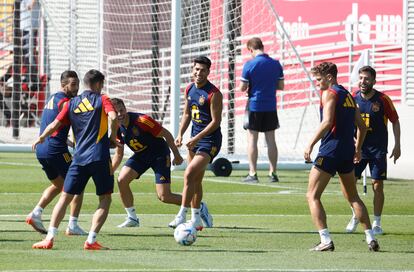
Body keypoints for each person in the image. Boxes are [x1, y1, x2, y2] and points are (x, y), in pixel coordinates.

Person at [31, 69, 118, 250]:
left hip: (78, 159)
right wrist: (112, 137)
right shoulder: (103, 99)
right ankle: (91, 240)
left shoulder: (70, 104)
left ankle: (49, 239)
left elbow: (55, 123)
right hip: (99, 157)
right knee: (105, 198)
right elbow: (114, 117)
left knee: (65, 197)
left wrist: (41, 138)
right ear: (98, 84)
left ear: (85, 83)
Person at [304, 62, 379, 252]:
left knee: (312, 195)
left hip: (330, 150)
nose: (317, 83)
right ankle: (370, 238)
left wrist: (310, 144)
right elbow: (362, 127)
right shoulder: (348, 95)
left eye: (319, 79)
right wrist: (358, 149)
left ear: (330, 77)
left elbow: (327, 122)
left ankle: (325, 240)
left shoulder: (330, 93)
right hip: (346, 151)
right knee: (353, 196)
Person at [110, 97, 189, 228]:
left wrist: (177, 155)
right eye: (116, 112)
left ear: (125, 108)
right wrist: (111, 171)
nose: (120, 114)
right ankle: (132, 218)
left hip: (159, 154)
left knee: (164, 196)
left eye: (121, 110)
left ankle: (197, 205)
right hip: (141, 155)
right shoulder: (116, 127)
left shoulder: (143, 121)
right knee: (121, 180)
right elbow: (119, 153)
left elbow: (167, 134)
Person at [26, 70, 87, 236]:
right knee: (78, 184)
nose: (76, 88)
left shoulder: (53, 98)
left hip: (42, 149)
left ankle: (36, 213)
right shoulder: (67, 102)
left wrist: (67, 141)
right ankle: (73, 225)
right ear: (63, 85)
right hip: (55, 150)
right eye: (73, 85)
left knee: (59, 185)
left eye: (77, 85)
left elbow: (53, 124)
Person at [345, 66, 401, 235]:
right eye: (361, 78)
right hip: (358, 150)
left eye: (367, 79)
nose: (363, 81)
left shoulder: (383, 99)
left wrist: (397, 145)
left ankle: (377, 222)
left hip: (377, 150)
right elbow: (347, 122)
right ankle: (356, 215)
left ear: (374, 81)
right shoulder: (353, 98)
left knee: (377, 185)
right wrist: (352, 140)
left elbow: (395, 121)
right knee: (350, 184)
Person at [170, 56, 221, 230]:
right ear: (193, 70)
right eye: (196, 69)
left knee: (189, 173)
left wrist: (196, 138)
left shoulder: (214, 93)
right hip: (194, 140)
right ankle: (196, 218)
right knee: (196, 180)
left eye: (203, 70)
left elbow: (216, 122)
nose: (199, 73)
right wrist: (180, 134)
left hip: (210, 141)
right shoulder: (190, 89)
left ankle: (181, 215)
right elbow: (186, 114)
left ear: (208, 72)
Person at [239, 37, 284, 183]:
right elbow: (281, 86)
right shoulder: (275, 64)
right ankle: (273, 173)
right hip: (270, 105)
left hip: (254, 105)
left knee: (252, 139)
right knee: (271, 139)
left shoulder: (250, 64)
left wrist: (252, 87)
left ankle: (253, 173)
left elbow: (242, 87)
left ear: (251, 49)